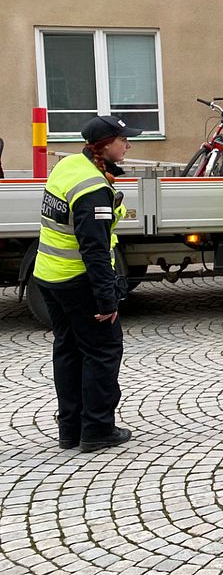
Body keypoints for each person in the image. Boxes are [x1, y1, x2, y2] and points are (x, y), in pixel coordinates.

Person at [33, 115, 138, 452]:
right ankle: (97, 429)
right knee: (102, 351)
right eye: (122, 140)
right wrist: (107, 301)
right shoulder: (93, 188)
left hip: (49, 275)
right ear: (105, 145)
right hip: (78, 280)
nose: (128, 145)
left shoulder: (69, 166)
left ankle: (71, 429)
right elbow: (94, 249)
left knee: (68, 349)